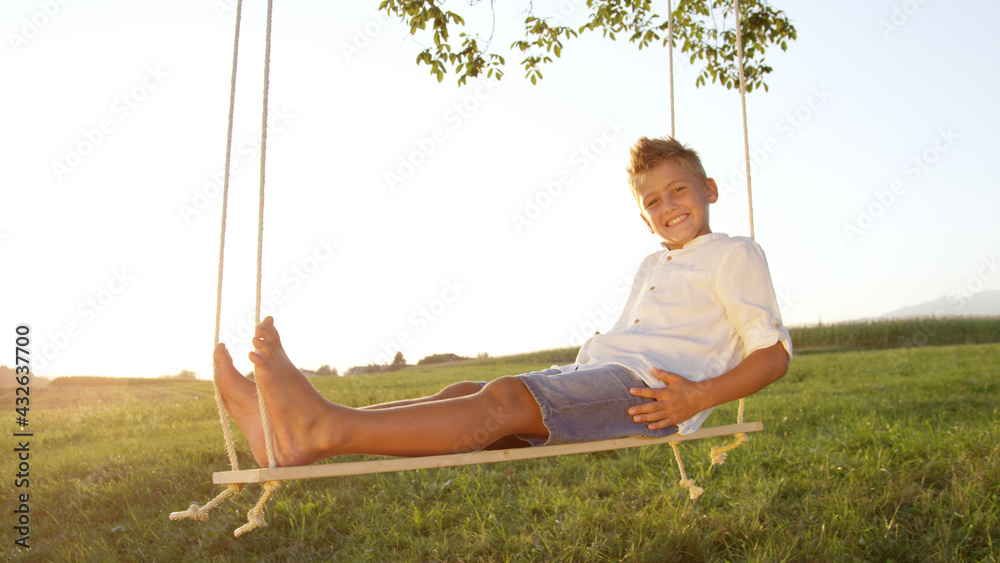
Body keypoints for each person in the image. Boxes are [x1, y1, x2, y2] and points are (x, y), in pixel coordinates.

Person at [214, 136, 792, 469]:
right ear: (643, 218)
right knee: (466, 394)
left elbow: (772, 356)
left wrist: (698, 397)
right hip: (605, 373)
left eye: (679, 190)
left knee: (507, 399)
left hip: (652, 396)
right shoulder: (654, 262)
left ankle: (318, 430)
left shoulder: (734, 253)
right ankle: (283, 430)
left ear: (709, 190)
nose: (668, 207)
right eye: (653, 201)